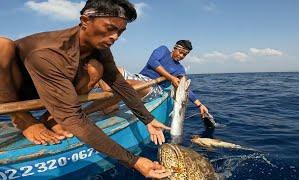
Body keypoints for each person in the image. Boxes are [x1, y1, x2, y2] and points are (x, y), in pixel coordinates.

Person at [0, 0, 171, 178]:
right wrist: (134, 161)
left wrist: (148, 119)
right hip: (15, 93)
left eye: (120, 31)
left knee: (95, 67)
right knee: (2, 45)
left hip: (55, 94)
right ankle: (22, 118)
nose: (115, 37)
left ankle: (51, 116)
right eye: (110, 28)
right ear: (85, 20)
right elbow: (74, 118)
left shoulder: (99, 48)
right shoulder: (49, 52)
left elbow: (118, 82)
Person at [139, 40, 210, 117]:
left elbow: (184, 88)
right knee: (123, 74)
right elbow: (152, 62)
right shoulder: (163, 50)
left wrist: (200, 105)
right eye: (180, 52)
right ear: (174, 48)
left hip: (155, 88)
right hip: (139, 78)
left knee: (130, 86)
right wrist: (171, 77)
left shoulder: (180, 69)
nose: (182, 56)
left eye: (184, 55)